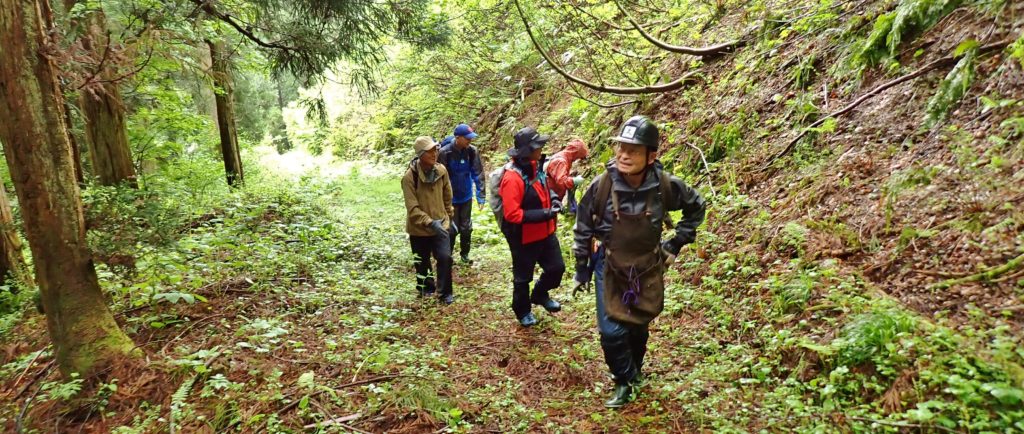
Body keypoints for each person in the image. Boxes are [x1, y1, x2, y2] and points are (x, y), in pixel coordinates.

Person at [572, 116, 706, 408]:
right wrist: (581, 269)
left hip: (646, 267)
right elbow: (583, 227)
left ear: (651, 156)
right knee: (611, 331)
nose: (623, 154)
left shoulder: (665, 186)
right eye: (621, 147)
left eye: (633, 150)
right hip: (609, 265)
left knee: (638, 324)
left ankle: (636, 369)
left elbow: (696, 206)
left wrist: (675, 243)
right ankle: (625, 380)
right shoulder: (602, 186)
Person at [497, 127, 565, 327]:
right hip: (523, 237)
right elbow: (512, 214)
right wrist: (545, 214)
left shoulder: (536, 166)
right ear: (528, 150)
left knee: (556, 268)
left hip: (546, 232)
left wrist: (554, 199)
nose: (541, 148)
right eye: (538, 146)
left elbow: (545, 187)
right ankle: (522, 310)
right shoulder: (512, 178)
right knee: (523, 278)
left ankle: (540, 294)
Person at [402, 136, 456, 305]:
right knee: (422, 261)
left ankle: (445, 293)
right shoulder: (409, 178)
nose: (434, 154)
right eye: (430, 151)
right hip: (419, 229)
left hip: (441, 223)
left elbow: (447, 196)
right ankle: (427, 289)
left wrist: (448, 216)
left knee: (445, 257)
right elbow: (412, 208)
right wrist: (430, 222)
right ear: (420, 154)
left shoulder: (441, 171)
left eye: (435, 150)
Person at [438, 123, 485, 264]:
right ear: (458, 138)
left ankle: (465, 255)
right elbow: (440, 178)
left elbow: (478, 173)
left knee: (466, 228)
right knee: (451, 228)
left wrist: (481, 196)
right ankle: (448, 256)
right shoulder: (444, 153)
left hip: (466, 196)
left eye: (471, 138)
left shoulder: (472, 151)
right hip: (450, 199)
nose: (470, 140)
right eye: (467, 138)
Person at [543, 138, 589, 214]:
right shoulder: (560, 161)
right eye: (579, 157)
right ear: (575, 153)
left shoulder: (565, 158)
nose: (577, 159)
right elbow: (561, 181)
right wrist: (574, 181)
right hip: (549, 197)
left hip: (552, 195)